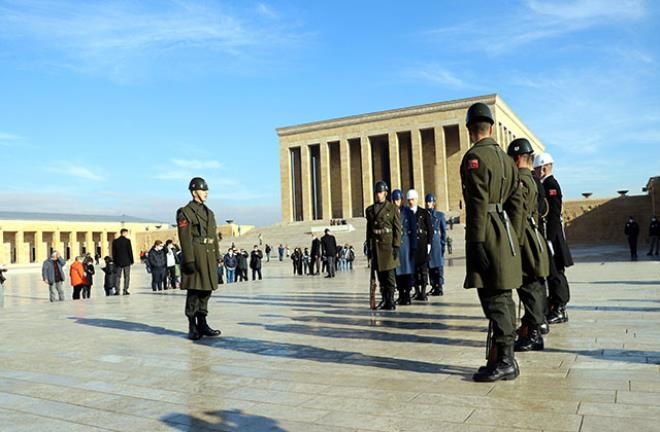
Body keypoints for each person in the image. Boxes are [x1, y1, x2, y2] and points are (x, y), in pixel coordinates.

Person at [461, 102, 523, 382]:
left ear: (469, 129)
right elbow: (515, 202)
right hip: (505, 232)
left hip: (486, 233)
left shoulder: (475, 158)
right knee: (504, 297)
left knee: (494, 299)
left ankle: (506, 361)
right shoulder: (507, 161)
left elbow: (476, 204)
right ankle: (504, 357)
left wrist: (475, 242)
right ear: (491, 127)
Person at [507, 138, 550, 352]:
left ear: (516, 159)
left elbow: (517, 217)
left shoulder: (519, 181)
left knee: (528, 287)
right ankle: (533, 330)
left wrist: (512, 247)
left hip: (524, 240)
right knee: (534, 286)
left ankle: (533, 334)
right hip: (534, 237)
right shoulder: (533, 180)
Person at [176, 177, 222, 341]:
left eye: (207, 191)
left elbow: (213, 236)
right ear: (194, 192)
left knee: (206, 291)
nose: (206, 193)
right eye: (204, 190)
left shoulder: (209, 212)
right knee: (194, 291)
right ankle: (192, 325)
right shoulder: (185, 212)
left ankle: (202, 323)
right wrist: (188, 260)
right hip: (196, 255)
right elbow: (185, 237)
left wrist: (217, 256)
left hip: (208, 255)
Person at [534, 152, 573, 325]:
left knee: (556, 272)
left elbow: (553, 213)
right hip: (548, 233)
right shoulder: (544, 183)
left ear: (543, 168)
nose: (535, 172)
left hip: (552, 234)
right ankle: (555, 305)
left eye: (536, 169)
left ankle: (560, 308)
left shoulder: (551, 184)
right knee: (552, 272)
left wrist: (549, 238)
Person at [365, 180, 402, 310]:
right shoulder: (370, 210)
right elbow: (369, 230)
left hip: (388, 247)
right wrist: (368, 248)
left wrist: (396, 245)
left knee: (390, 277)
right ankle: (385, 299)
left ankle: (391, 300)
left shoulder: (392, 209)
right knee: (380, 277)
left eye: (380, 192)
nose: (378, 195)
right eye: (376, 192)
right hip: (376, 247)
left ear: (385, 193)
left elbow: (397, 229)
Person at [391, 189, 415, 305]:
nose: (397, 202)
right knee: (398, 272)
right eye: (395, 200)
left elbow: (414, 231)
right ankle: (401, 294)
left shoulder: (408, 213)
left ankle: (407, 295)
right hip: (396, 246)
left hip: (406, 245)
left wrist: (414, 246)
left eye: (398, 200)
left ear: (402, 200)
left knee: (407, 271)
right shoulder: (390, 213)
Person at [407, 189, 432, 301]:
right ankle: (416, 291)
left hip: (422, 244)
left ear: (416, 199)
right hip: (411, 245)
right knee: (414, 270)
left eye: (412, 199)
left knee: (423, 269)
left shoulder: (424, 212)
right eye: (409, 200)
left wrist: (429, 244)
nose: (411, 202)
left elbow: (430, 229)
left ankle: (423, 291)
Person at [425, 193, 447, 296]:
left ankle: (440, 286)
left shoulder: (439, 215)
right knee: (430, 266)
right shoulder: (424, 215)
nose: (428, 204)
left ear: (434, 203)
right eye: (427, 202)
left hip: (437, 244)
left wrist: (443, 244)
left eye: (430, 202)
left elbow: (444, 232)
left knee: (438, 266)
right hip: (428, 244)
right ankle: (434, 286)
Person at [112, 228, 134, 295]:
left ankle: (117, 290)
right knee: (126, 276)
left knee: (118, 276)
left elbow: (113, 252)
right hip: (127, 261)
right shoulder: (127, 241)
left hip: (118, 262)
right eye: (126, 233)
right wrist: (132, 260)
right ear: (124, 233)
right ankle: (125, 290)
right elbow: (130, 251)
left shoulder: (115, 241)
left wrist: (115, 260)